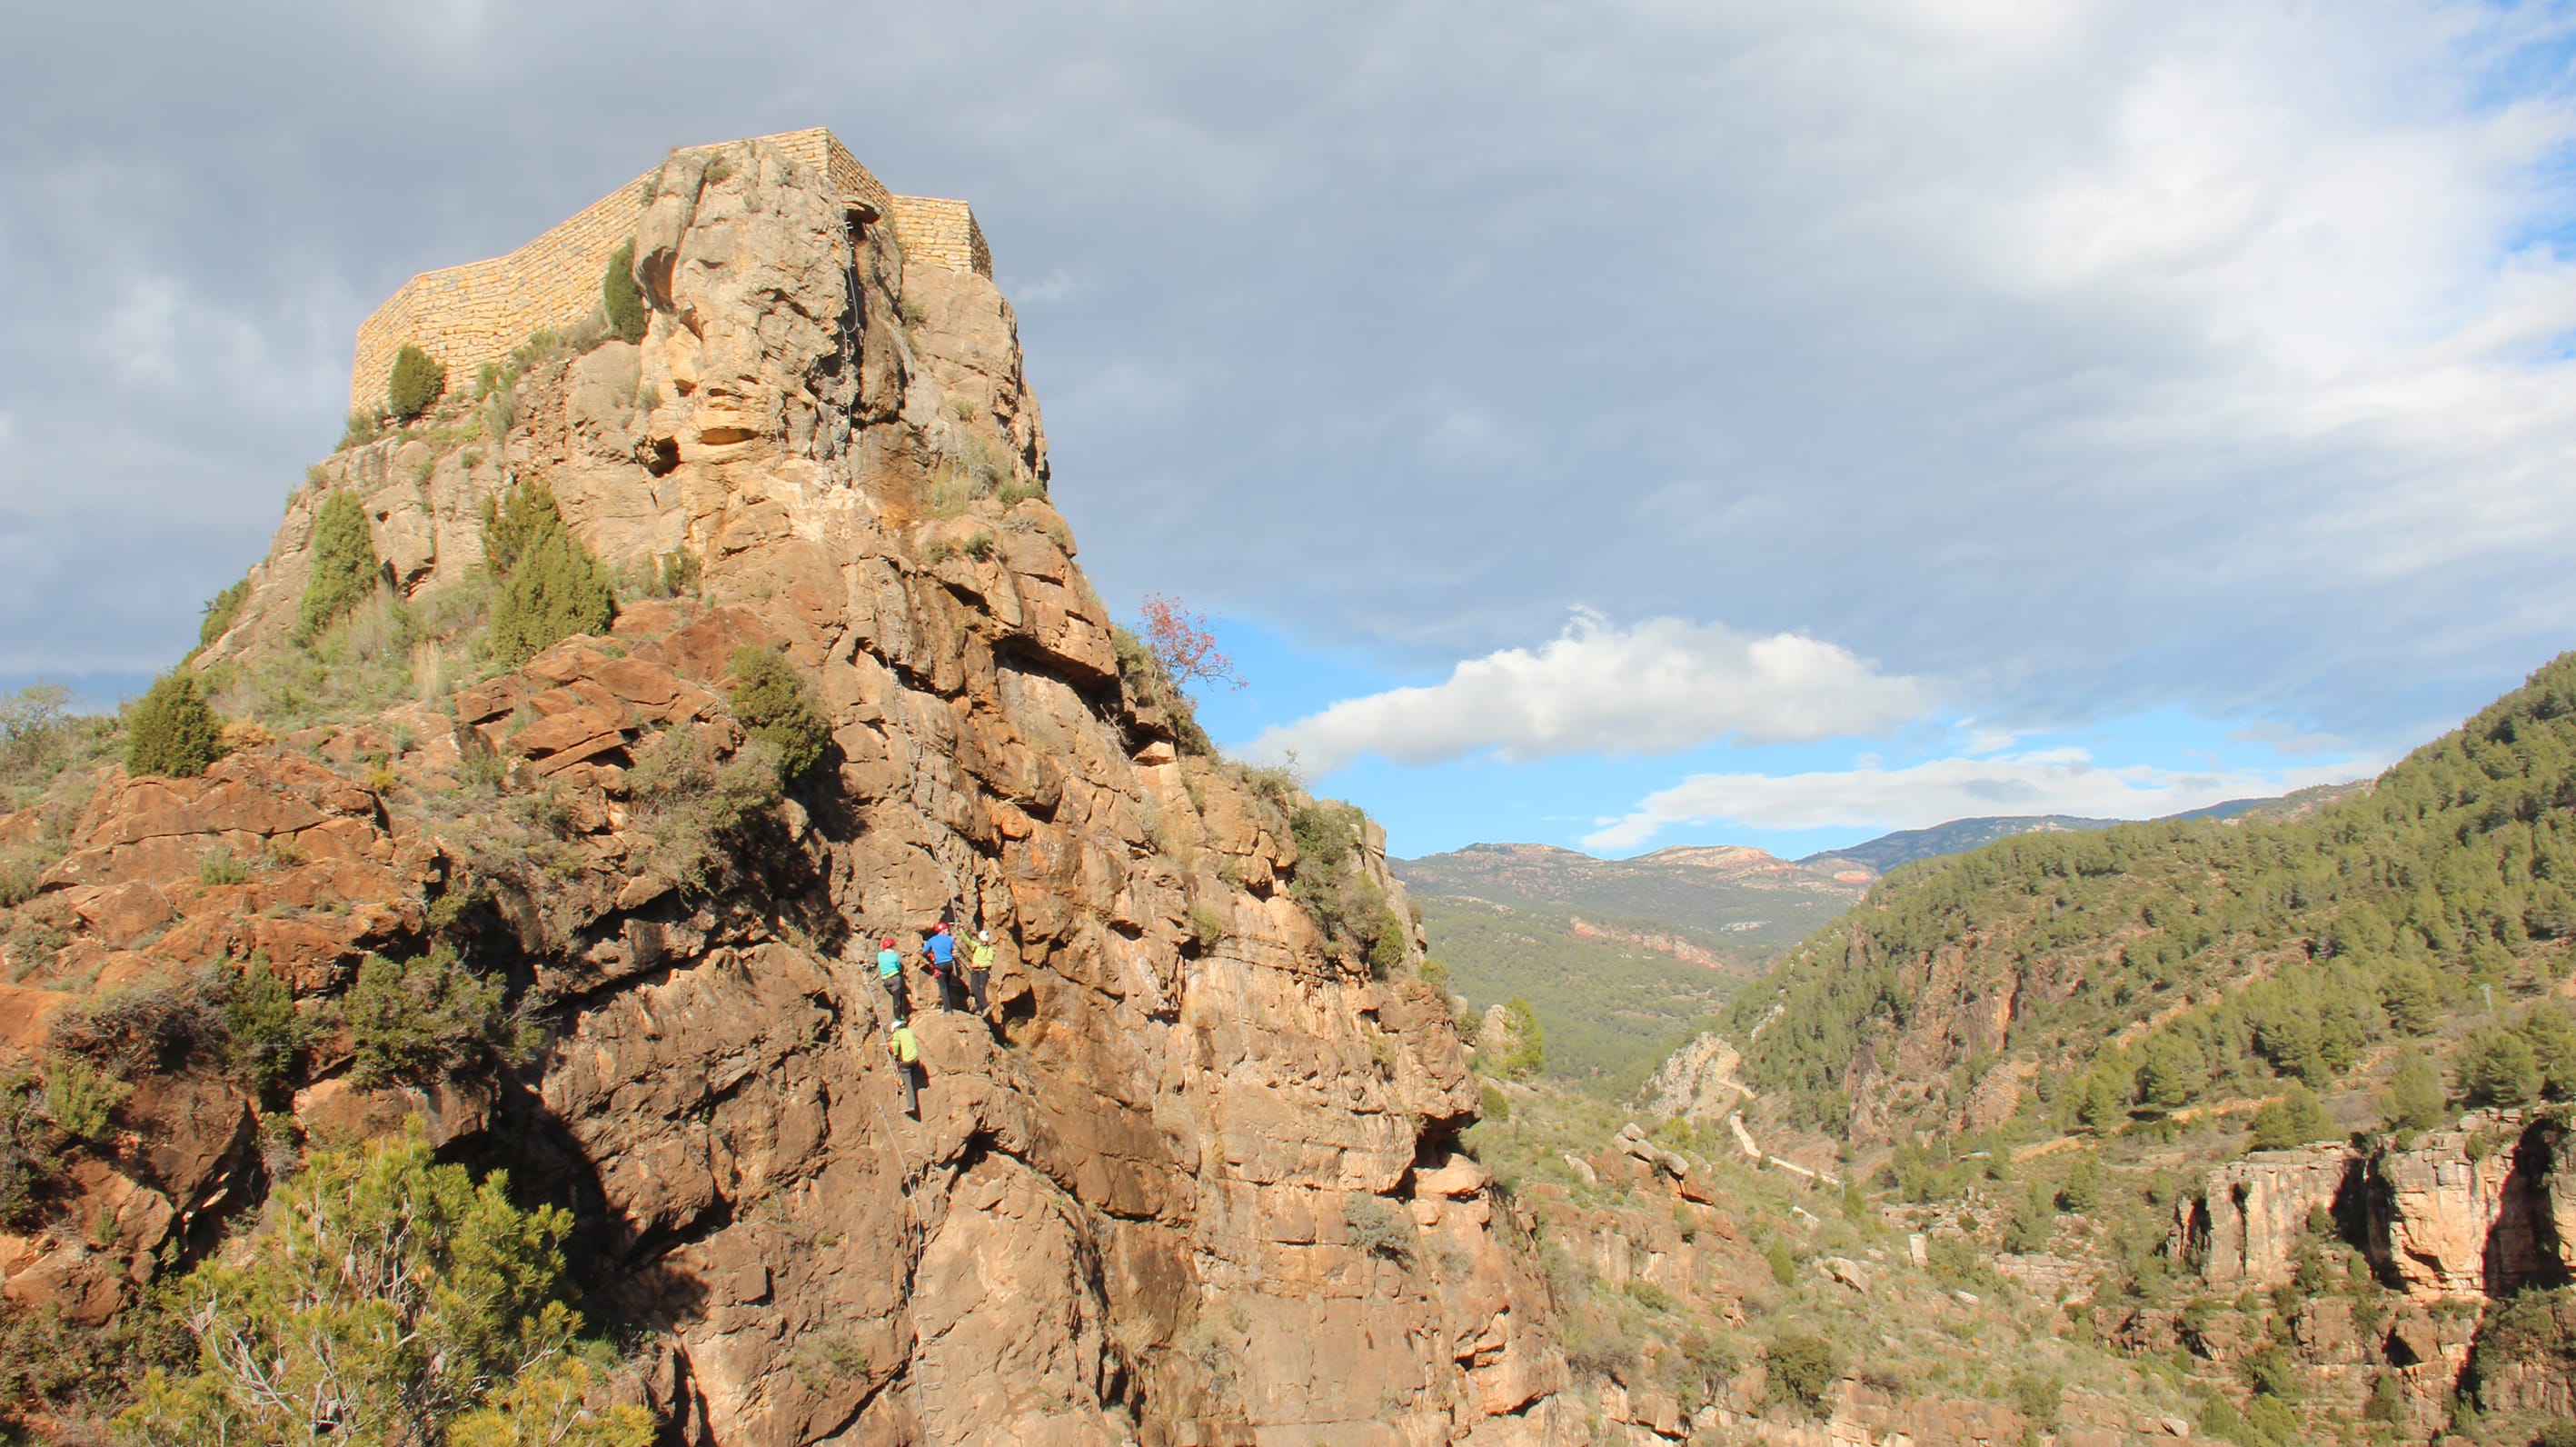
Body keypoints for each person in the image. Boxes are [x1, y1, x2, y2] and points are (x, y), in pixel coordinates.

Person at [921, 922, 961, 1012]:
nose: (948, 931)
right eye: (946, 930)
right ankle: (950, 1006)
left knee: (943, 987)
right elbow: (953, 950)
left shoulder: (932, 940)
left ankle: (947, 1009)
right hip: (949, 964)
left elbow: (924, 951)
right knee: (947, 984)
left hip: (940, 965)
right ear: (942, 930)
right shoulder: (950, 939)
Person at [887, 1017, 921, 1118]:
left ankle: (911, 1105)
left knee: (908, 1082)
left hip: (906, 1062)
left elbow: (896, 1045)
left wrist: (895, 1056)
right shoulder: (908, 1031)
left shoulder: (897, 1034)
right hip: (915, 1059)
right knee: (909, 1070)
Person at [875, 936, 908, 1019]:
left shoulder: (880, 955)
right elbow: (898, 967)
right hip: (895, 978)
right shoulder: (895, 956)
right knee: (899, 998)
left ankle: (899, 1017)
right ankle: (901, 1017)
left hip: (885, 979)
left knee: (895, 997)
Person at [968, 928, 996, 1013]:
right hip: (975, 971)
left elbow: (989, 962)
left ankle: (980, 1008)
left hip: (983, 971)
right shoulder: (976, 946)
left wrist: (979, 965)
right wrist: (961, 931)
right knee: (974, 988)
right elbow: (968, 941)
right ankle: (984, 1006)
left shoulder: (990, 950)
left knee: (981, 989)